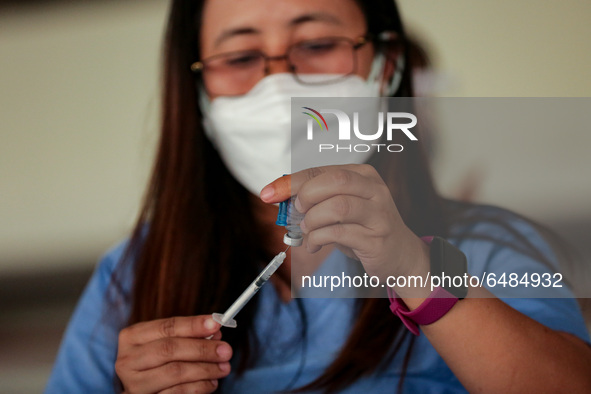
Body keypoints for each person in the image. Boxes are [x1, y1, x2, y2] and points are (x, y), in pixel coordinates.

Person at [46, 0, 591, 393]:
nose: (279, 83)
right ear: (198, 93)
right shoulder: (137, 275)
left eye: (317, 44)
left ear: (387, 65)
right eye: (239, 58)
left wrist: (416, 272)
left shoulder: (487, 247)